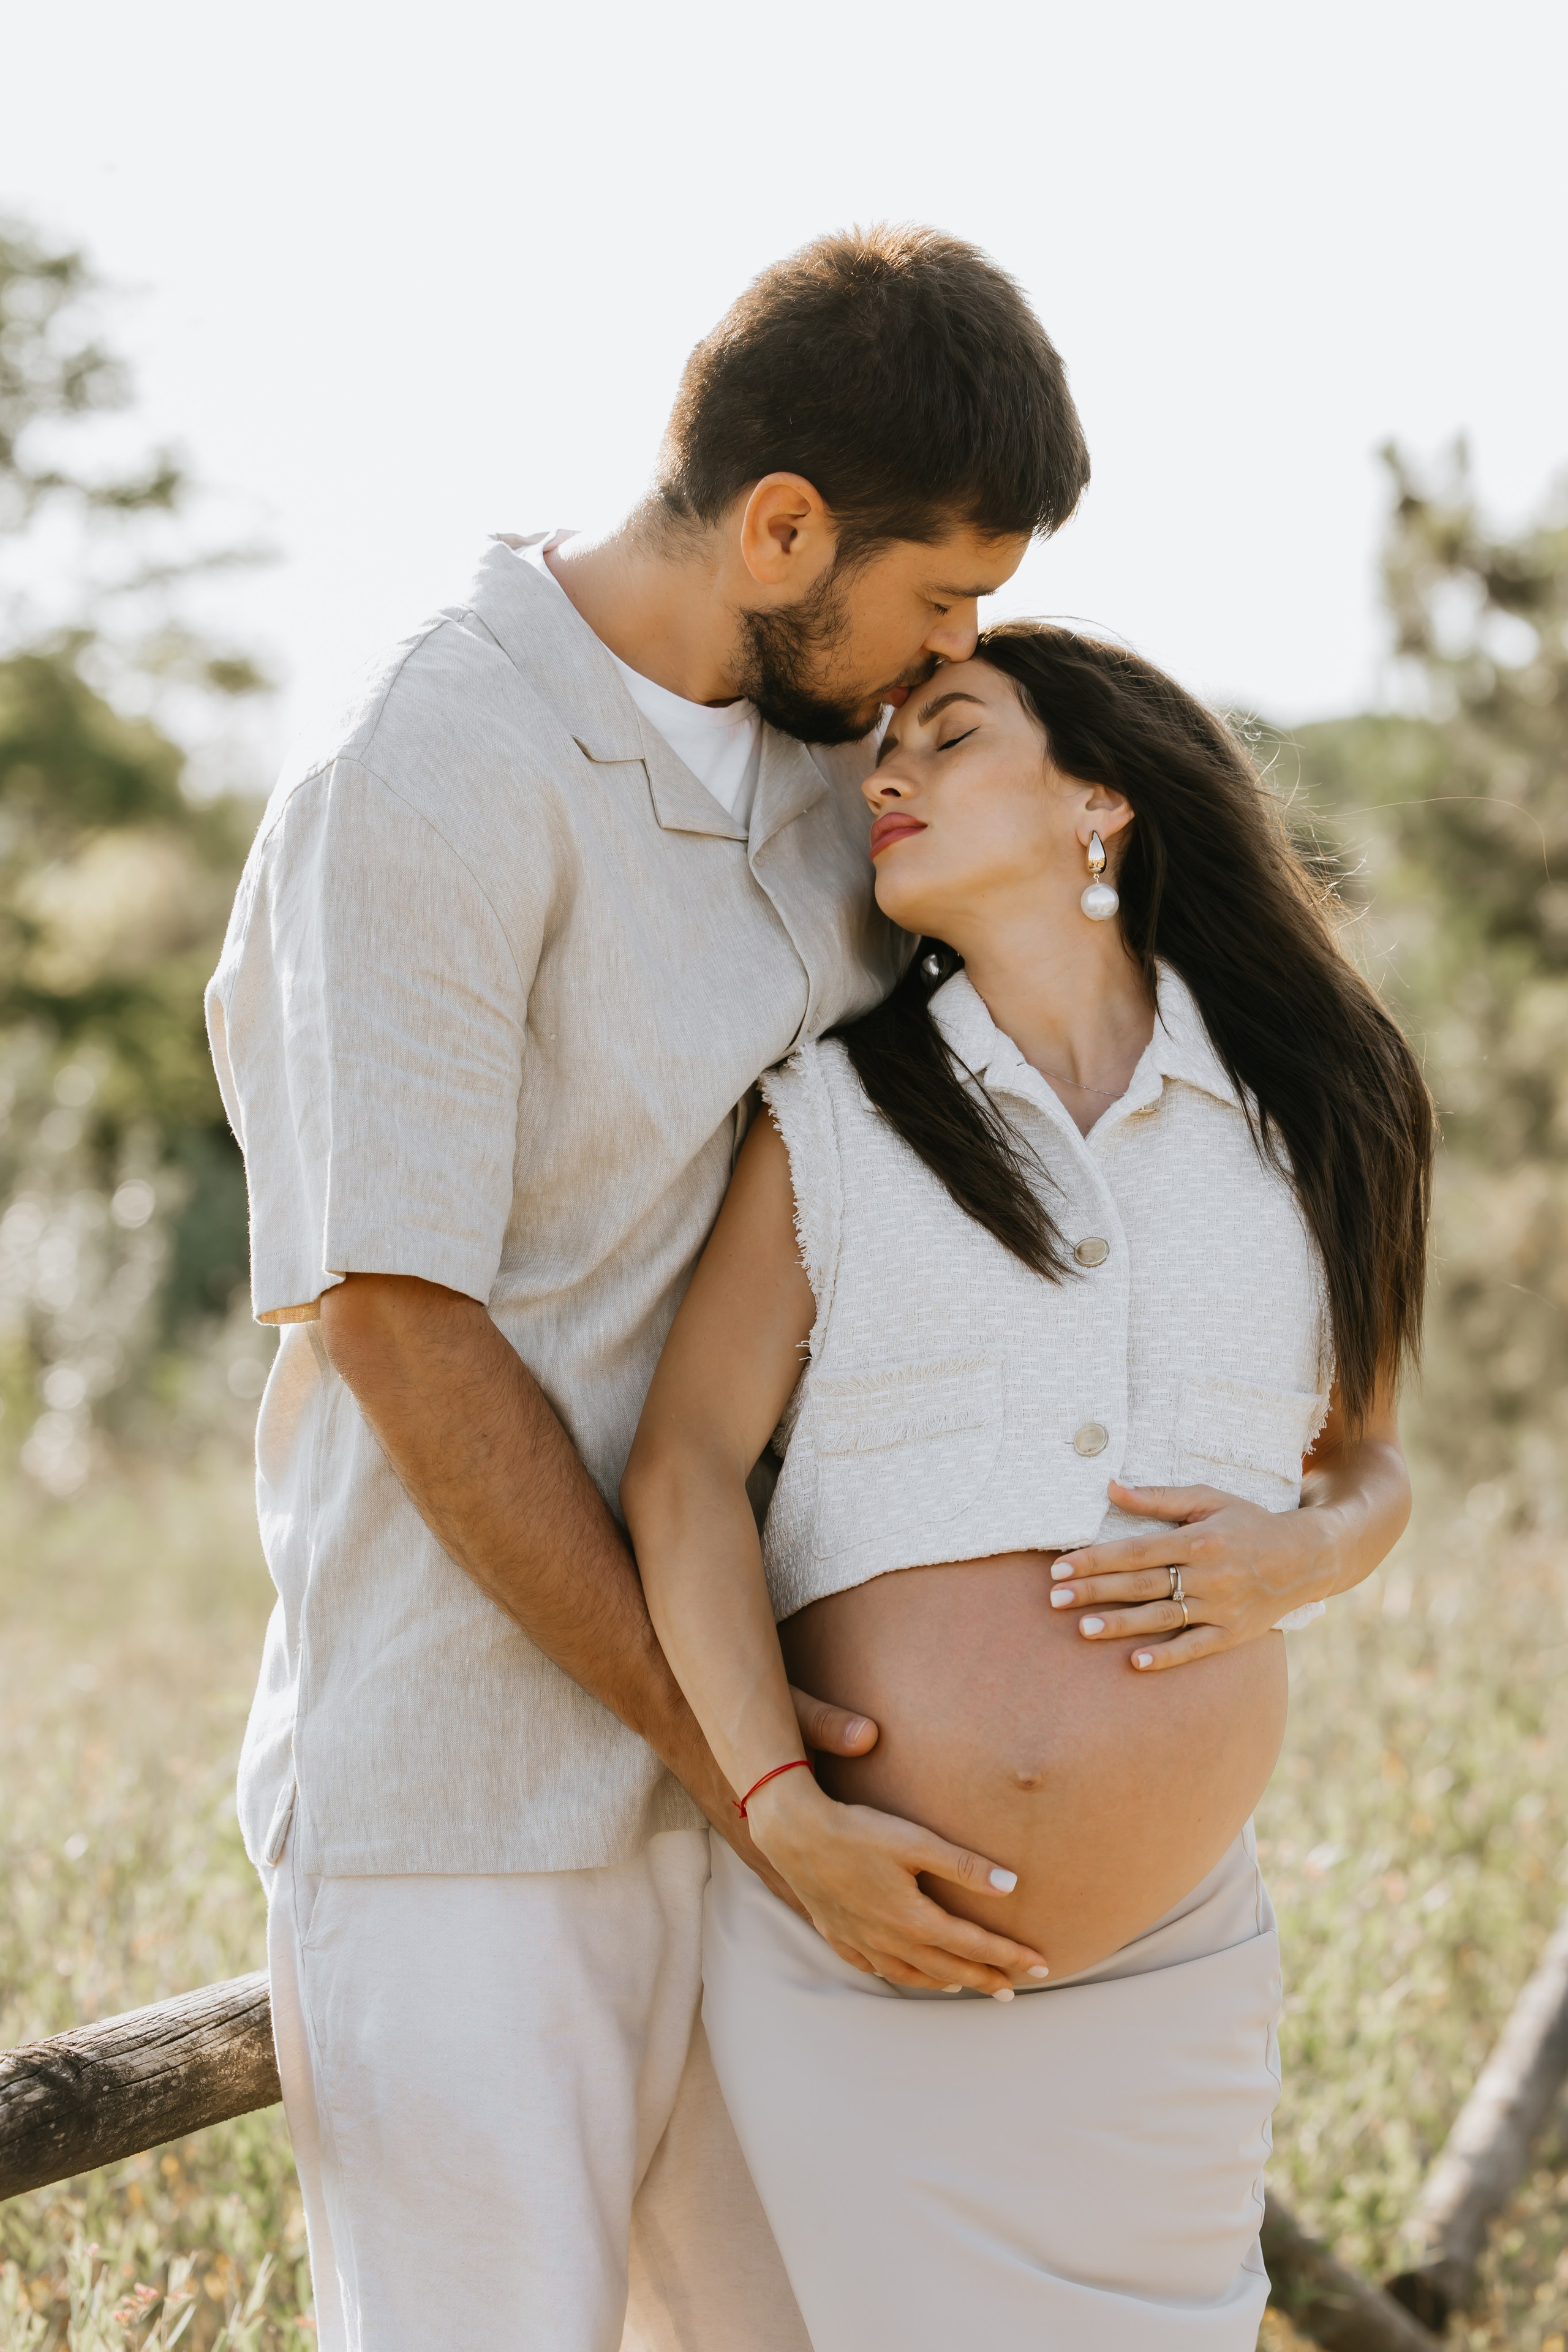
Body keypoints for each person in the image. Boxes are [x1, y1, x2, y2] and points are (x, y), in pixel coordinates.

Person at [204, 225, 1093, 2352]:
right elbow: (398, 1327)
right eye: (941, 596)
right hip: (477, 1816)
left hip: (778, 1787)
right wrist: (748, 1778)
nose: (955, 648)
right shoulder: (424, 767)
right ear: (782, 527)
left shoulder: (841, 773)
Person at [624, 622, 1433, 2349]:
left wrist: (1304, 1558)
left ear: (1101, 803)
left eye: (954, 733)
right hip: (853, 1958)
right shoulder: (833, 1117)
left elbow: (1367, 1460)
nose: (891, 776)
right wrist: (777, 1807)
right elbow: (682, 1468)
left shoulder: (1318, 1109)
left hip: (1170, 1979)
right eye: (884, 754)